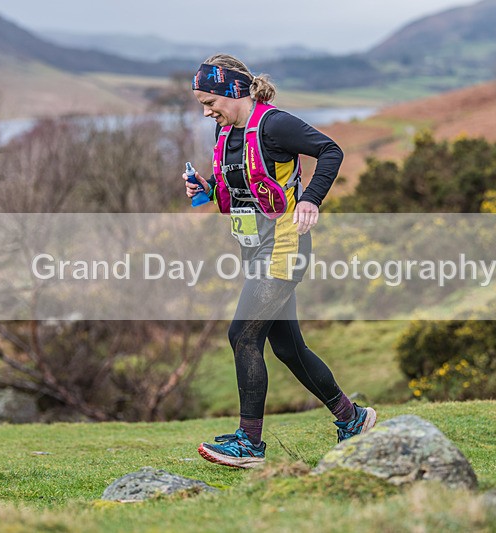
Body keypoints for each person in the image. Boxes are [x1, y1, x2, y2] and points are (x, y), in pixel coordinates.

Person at [184, 54, 376, 469]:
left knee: (242, 336)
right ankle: (352, 417)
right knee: (288, 348)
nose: (206, 111)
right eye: (202, 104)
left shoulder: (275, 124)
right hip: (255, 252)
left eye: (209, 101)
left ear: (233, 90)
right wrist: (205, 185)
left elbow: (330, 151)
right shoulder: (226, 132)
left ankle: (250, 443)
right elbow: (236, 183)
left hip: (284, 250)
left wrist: (311, 198)